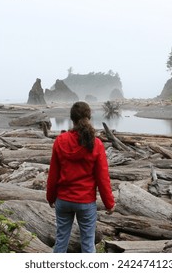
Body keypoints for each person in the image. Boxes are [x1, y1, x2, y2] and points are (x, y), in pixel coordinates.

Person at [46, 101, 115, 253]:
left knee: (61, 241)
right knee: (88, 244)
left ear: (72, 118)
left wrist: (50, 197)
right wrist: (109, 204)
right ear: (88, 117)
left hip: (63, 200)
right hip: (85, 201)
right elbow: (102, 178)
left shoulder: (60, 141)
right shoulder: (96, 143)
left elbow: (53, 174)